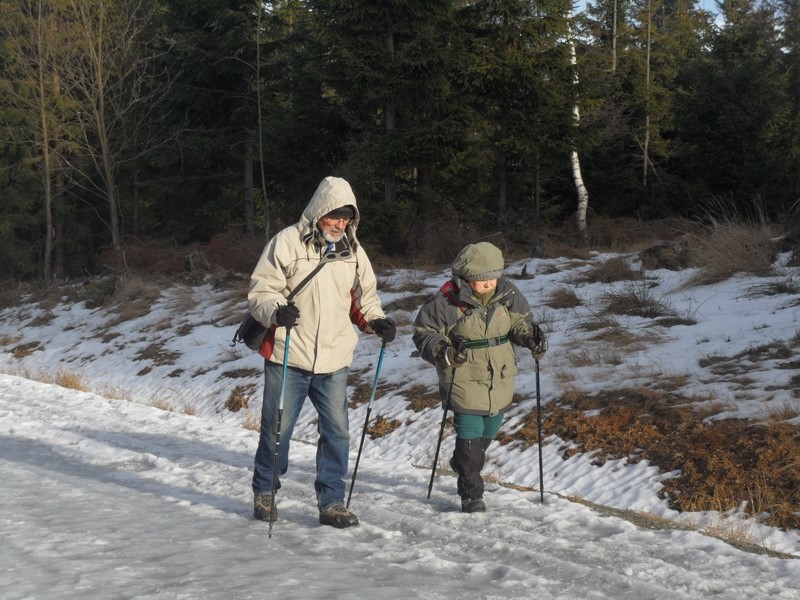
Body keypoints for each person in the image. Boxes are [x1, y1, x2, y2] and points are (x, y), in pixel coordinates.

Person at [248, 176, 396, 528]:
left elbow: (365, 297)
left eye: (347, 219)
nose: (340, 224)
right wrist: (275, 310)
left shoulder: (353, 252)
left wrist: (378, 321)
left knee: (337, 434)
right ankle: (265, 493)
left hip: (334, 359)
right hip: (289, 354)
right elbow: (261, 291)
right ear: (319, 212)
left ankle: (331, 503)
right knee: (276, 431)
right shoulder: (286, 242)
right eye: (335, 217)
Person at [412, 242, 546, 513]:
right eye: (479, 280)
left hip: (501, 376)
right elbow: (424, 332)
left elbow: (520, 323)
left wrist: (530, 337)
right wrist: (444, 350)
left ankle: (463, 462)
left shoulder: (508, 292)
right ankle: (472, 494)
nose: (487, 284)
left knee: (489, 429)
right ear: (465, 277)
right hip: (462, 375)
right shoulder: (447, 300)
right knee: (471, 436)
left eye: (492, 278)